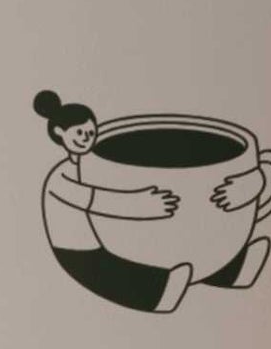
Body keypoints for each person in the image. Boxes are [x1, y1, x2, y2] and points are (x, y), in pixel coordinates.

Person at [33, 90, 194, 313]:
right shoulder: (60, 178)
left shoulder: (90, 165)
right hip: (76, 249)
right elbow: (95, 200)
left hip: (99, 237)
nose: (86, 138)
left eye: (91, 132)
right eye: (79, 132)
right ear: (60, 133)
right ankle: (159, 294)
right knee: (111, 273)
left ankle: (228, 272)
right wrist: (140, 205)